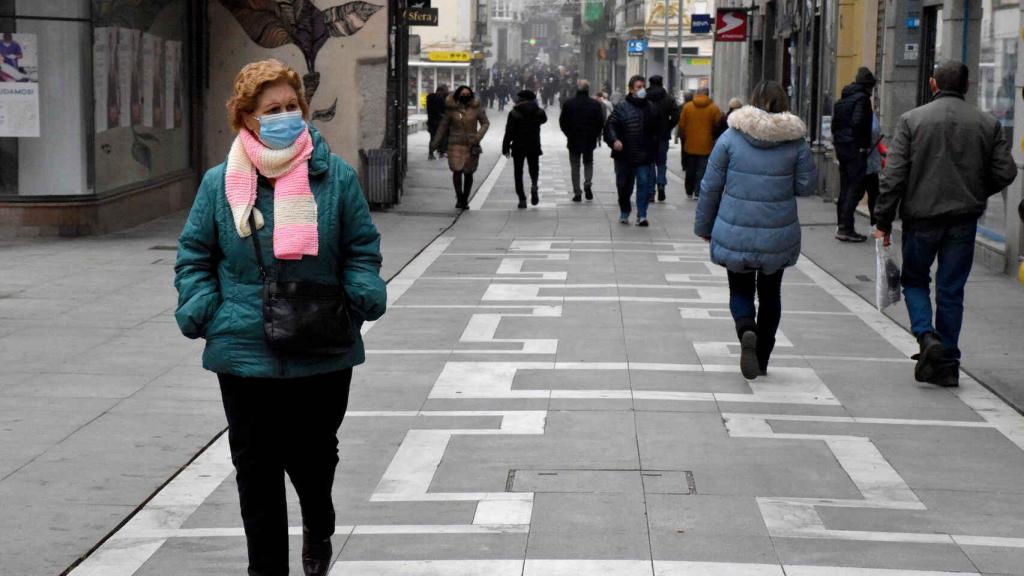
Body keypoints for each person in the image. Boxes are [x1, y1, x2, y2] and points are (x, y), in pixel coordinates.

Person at [174, 59, 387, 576]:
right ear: (247, 118)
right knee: (257, 472)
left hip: (322, 340)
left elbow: (361, 246)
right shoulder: (220, 183)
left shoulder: (333, 176)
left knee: (315, 462)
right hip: (244, 347)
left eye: (293, 106)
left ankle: (318, 524)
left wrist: (362, 292)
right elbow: (195, 255)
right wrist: (204, 306)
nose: (286, 116)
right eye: (273, 109)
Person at [874, 60, 1016, 387]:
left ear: (932, 83)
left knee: (915, 280)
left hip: (921, 219)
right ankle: (948, 363)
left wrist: (883, 219)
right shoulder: (987, 124)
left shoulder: (911, 121)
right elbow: (1006, 171)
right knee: (951, 290)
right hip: (963, 220)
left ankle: (926, 337)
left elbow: (893, 177)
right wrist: (977, 191)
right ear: (967, 86)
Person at [694, 80, 817, 380]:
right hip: (778, 230)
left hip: (735, 228)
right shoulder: (795, 142)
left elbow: (710, 186)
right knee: (771, 293)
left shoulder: (730, 138)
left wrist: (704, 226)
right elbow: (806, 186)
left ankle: (746, 328)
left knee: (740, 287)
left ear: (752, 101)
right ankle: (762, 356)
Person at [604, 74, 660, 226]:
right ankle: (625, 211)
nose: (642, 90)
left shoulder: (650, 108)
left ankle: (642, 215)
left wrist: (655, 146)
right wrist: (615, 140)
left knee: (644, 184)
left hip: (644, 155)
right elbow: (610, 126)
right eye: (638, 87)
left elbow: (658, 129)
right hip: (625, 155)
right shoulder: (622, 107)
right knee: (624, 186)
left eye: (643, 87)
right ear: (631, 89)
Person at [832, 67, 876, 242]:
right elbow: (859, 123)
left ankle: (841, 224)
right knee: (855, 187)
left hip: (841, 147)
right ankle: (846, 227)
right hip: (854, 149)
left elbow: (835, 125)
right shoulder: (862, 100)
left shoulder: (842, 101)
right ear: (867, 86)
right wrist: (862, 146)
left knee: (845, 186)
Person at [431, 85, 490, 210]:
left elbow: (485, 123)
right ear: (457, 95)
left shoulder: (476, 108)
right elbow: (443, 126)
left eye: (467, 94)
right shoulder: (451, 110)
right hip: (455, 144)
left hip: (471, 145)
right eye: (462, 94)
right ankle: (459, 197)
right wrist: (435, 143)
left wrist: (477, 137)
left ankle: (465, 198)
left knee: (468, 172)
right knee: (457, 171)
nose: (465, 97)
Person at [559, 79, 605, 202]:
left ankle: (577, 192)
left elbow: (562, 122)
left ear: (577, 89)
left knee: (575, 165)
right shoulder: (595, 104)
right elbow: (600, 122)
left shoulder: (569, 104)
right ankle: (588, 184)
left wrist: (568, 134)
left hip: (574, 139)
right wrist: (595, 134)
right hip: (589, 139)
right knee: (588, 162)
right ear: (588, 90)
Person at [502, 89, 548, 208]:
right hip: (533, 145)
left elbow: (509, 132)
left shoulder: (514, 113)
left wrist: (505, 147)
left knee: (518, 172)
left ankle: (522, 198)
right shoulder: (538, 112)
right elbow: (544, 120)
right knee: (534, 168)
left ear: (521, 99)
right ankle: (534, 185)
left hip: (518, 146)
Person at [678, 87, 722, 200]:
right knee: (702, 170)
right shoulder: (714, 108)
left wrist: (685, 136)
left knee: (690, 169)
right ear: (708, 94)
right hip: (706, 144)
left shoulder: (687, 107)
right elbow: (718, 124)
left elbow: (682, 124)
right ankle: (698, 192)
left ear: (697, 94)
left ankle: (689, 190)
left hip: (690, 144)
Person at [646, 75, 680, 202]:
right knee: (661, 162)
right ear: (661, 83)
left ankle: (651, 191)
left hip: (648, 135)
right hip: (663, 136)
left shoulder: (645, 96)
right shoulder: (668, 98)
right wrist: (669, 126)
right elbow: (676, 115)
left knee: (650, 163)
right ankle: (661, 184)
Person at [861, 111, 884, 226]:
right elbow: (874, 131)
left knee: (851, 193)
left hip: (852, 161)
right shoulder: (867, 112)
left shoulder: (843, 108)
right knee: (873, 193)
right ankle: (875, 223)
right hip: (868, 162)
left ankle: (844, 224)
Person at [425, 84, 448, 161]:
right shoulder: (440, 99)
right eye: (442, 92)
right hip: (438, 122)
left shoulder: (430, 98)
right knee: (441, 137)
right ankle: (440, 153)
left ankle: (431, 154)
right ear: (440, 91)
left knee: (432, 138)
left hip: (431, 121)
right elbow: (442, 111)